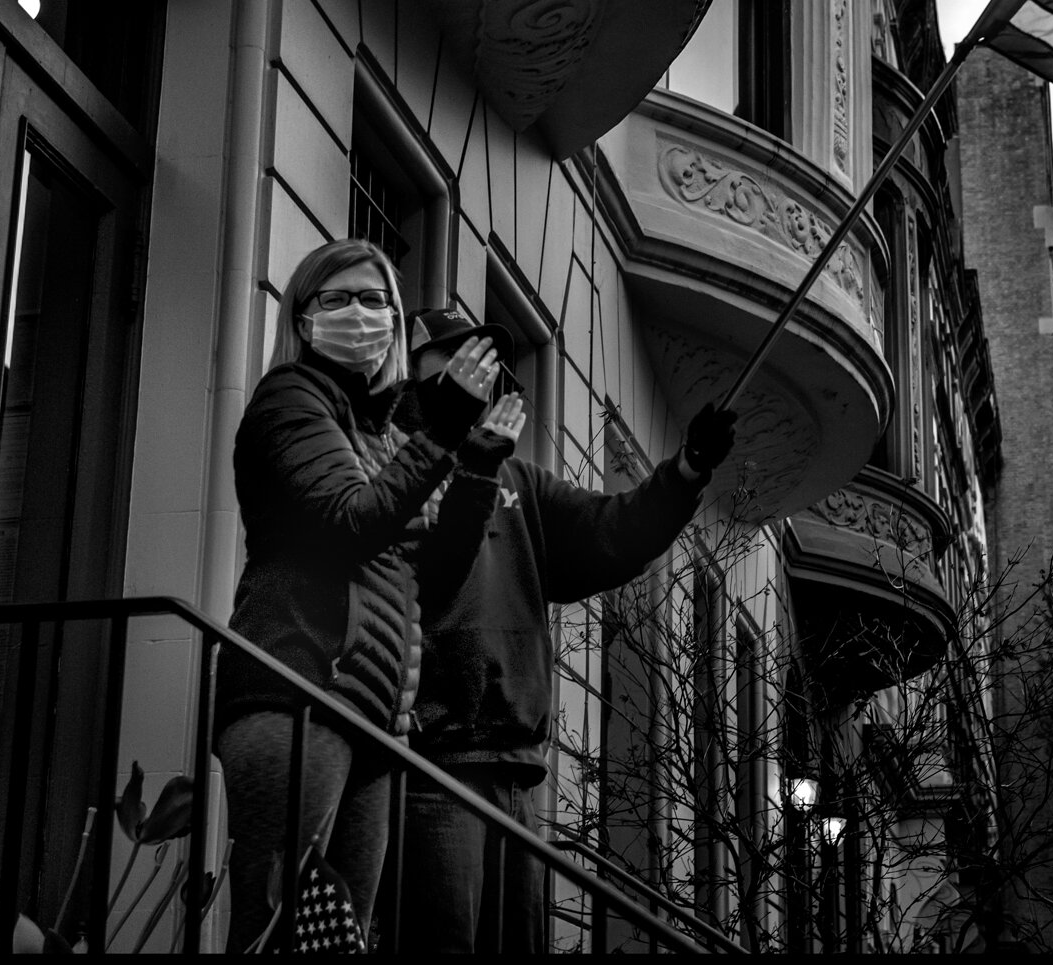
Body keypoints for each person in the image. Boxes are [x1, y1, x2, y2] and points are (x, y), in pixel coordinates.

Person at [391, 307, 737, 954]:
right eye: (456, 361)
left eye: (484, 363)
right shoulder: (402, 467)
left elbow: (614, 530)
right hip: (432, 763)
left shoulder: (520, 481)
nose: (476, 374)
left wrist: (686, 470)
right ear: (416, 378)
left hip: (518, 768)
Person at [213, 239, 509, 952]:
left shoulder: (378, 435)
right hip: (300, 693)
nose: (359, 314)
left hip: (373, 718)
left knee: (337, 941)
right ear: (303, 315)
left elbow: (425, 584)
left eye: (375, 300)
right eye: (336, 298)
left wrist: (473, 471)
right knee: (277, 934)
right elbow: (348, 522)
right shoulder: (291, 398)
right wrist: (441, 428)